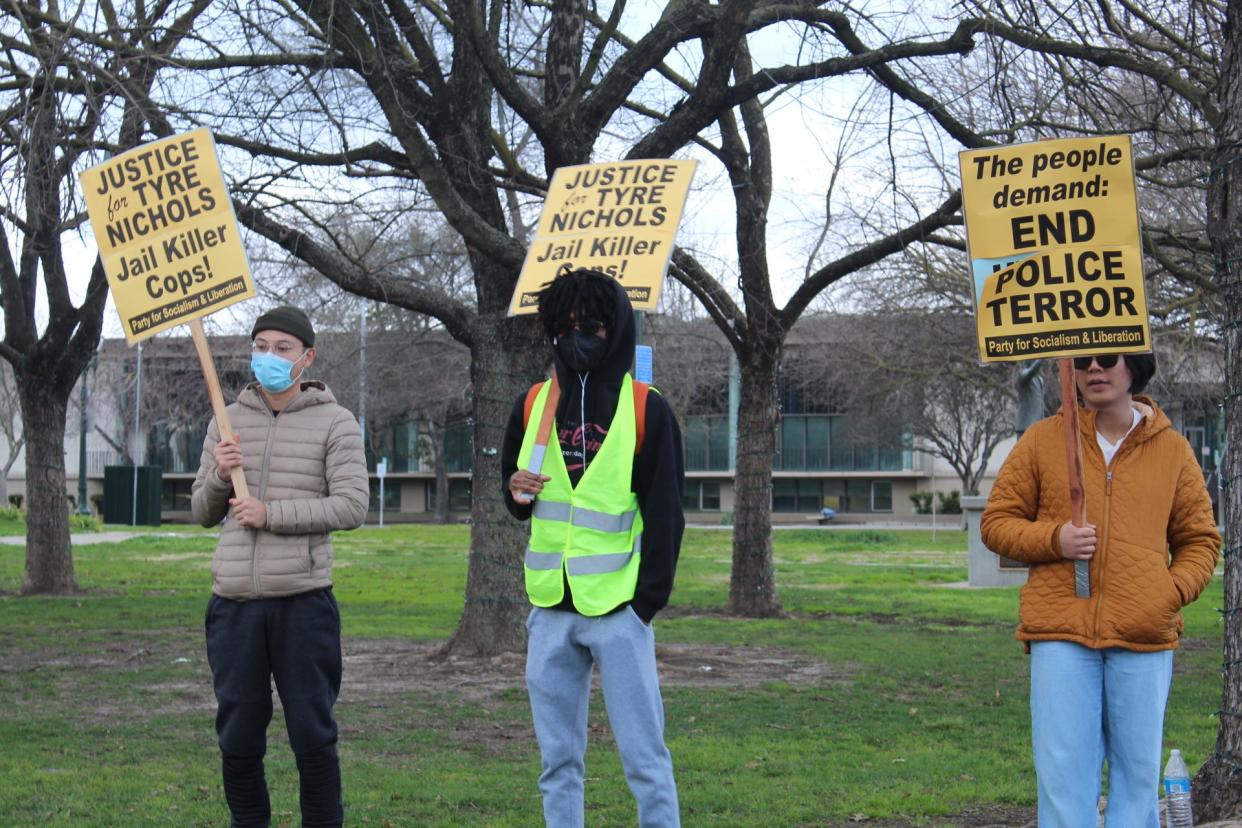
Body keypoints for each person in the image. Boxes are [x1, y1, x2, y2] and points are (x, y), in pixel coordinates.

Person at [981, 352, 1219, 828]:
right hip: (1060, 632)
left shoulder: (1172, 450)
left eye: (1107, 358)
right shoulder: (1043, 440)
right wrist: (1055, 539)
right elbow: (996, 524)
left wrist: (1167, 592)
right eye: (1083, 360)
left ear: (1134, 368)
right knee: (1063, 777)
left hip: (1144, 634)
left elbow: (1200, 541)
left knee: (1138, 776)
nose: (1093, 368)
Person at [501, 268, 685, 827]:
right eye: (565, 327)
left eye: (591, 327)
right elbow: (516, 496)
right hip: (550, 610)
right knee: (557, 762)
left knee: (645, 759)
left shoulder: (646, 408)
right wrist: (514, 490)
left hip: (618, 611)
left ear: (616, 330)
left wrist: (644, 606)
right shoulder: (534, 403)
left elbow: (666, 516)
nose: (576, 338)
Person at [192, 305, 369, 828]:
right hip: (234, 607)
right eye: (261, 346)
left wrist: (271, 515)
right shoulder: (225, 420)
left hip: (303, 604)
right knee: (239, 739)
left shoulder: (336, 422)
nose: (269, 357)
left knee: (312, 736)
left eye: (283, 348)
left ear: (307, 357)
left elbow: (351, 505)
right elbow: (202, 511)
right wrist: (222, 476)